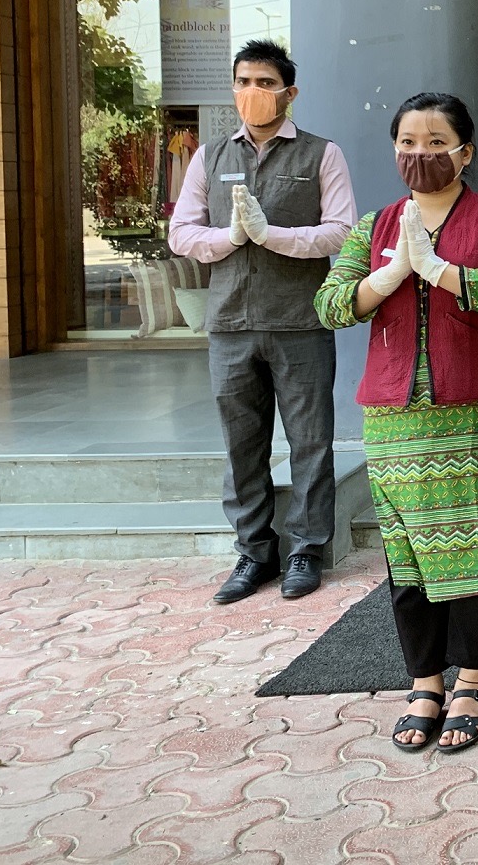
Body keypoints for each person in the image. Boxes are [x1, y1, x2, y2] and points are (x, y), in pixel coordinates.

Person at [315, 92, 478, 753]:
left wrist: (440, 271)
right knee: (408, 558)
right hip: (394, 420)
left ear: (465, 152)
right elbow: (330, 303)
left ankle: (473, 679)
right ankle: (424, 682)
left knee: (476, 549)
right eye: (408, 141)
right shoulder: (375, 226)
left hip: (477, 414)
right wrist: (390, 277)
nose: (420, 153)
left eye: (436, 141)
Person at [169, 39, 355, 604]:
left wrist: (271, 235)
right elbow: (181, 233)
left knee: (310, 441)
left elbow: (342, 231)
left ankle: (305, 550)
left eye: (265, 83)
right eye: (244, 82)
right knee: (241, 443)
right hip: (230, 324)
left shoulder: (322, 154)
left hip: (300, 321)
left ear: (289, 93)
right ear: (233, 89)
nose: (253, 92)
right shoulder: (209, 156)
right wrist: (229, 236)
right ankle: (254, 552)